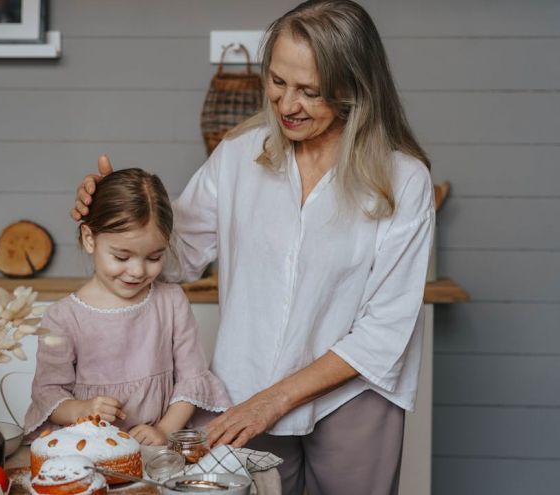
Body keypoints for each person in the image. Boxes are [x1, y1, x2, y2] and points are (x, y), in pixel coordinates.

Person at [71, 1, 434, 493]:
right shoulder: (239, 157)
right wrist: (118, 221)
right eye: (278, 82)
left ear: (354, 89)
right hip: (241, 394)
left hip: (353, 401)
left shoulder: (403, 181)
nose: (287, 105)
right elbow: (176, 257)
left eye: (310, 91)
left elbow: (384, 331)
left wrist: (274, 401)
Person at [24, 168, 231, 446]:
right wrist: (83, 410)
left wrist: (165, 430)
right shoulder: (63, 317)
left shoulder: (171, 302)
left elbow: (192, 380)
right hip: (89, 449)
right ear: (89, 239)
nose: (137, 271)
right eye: (122, 256)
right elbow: (48, 395)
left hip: (156, 449)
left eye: (154, 257)